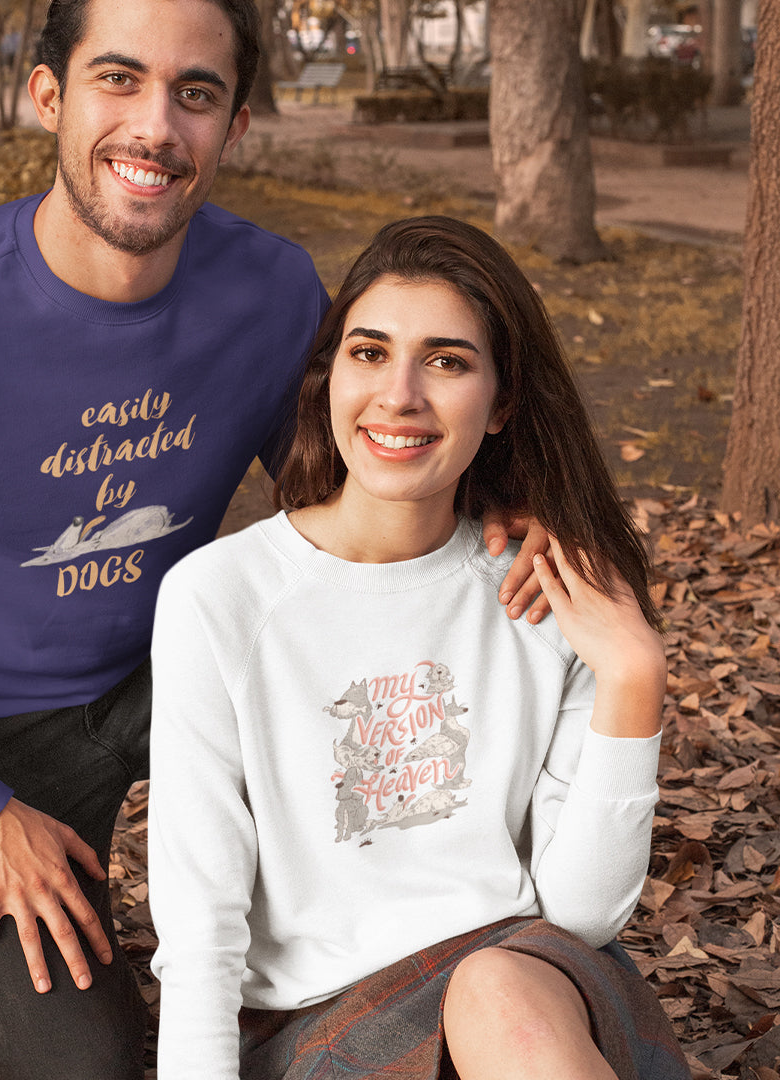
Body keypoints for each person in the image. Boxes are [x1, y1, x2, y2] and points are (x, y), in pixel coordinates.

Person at [0, 2, 546, 1076]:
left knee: (376, 819)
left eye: (195, 93)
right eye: (118, 80)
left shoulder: (266, 292)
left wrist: (498, 516)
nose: (156, 126)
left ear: (236, 126)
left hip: (184, 665)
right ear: (48, 98)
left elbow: (341, 476)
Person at [148, 217, 691, 1079]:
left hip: (528, 989)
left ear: (502, 401)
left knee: (497, 998)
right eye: (369, 353)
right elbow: (200, 916)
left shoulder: (551, 590)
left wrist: (633, 677)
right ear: (328, 379)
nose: (399, 394)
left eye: (447, 361)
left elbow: (584, 912)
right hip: (325, 1022)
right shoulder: (220, 598)